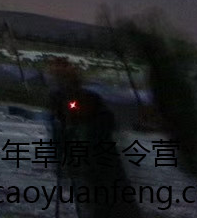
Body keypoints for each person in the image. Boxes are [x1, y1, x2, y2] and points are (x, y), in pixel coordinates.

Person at [48, 59, 140, 218]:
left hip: (100, 164)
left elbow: (106, 125)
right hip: (87, 166)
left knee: (110, 203)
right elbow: (60, 135)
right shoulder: (59, 100)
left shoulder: (90, 99)